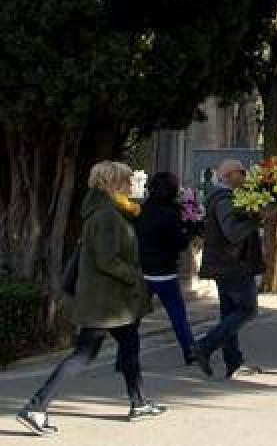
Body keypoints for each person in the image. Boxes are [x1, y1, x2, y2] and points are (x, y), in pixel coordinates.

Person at [18, 162, 164, 436]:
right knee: (84, 354)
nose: (131, 185)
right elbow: (106, 259)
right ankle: (36, 406)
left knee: (130, 346)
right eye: (126, 180)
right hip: (107, 302)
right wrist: (133, 276)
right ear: (113, 183)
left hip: (113, 301)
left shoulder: (110, 211)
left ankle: (139, 402)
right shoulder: (107, 215)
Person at [192, 159, 263, 379]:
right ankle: (205, 345)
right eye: (242, 173)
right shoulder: (224, 199)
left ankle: (233, 361)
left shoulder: (224, 198)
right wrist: (257, 219)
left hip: (227, 264)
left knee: (229, 314)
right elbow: (232, 233)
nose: (245, 177)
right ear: (229, 175)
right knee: (247, 310)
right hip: (233, 264)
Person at [135, 171, 195, 365]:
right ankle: (190, 351)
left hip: (143, 269)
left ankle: (125, 357)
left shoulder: (141, 211)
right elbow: (180, 243)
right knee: (177, 315)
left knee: (135, 317)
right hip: (165, 272)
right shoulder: (171, 214)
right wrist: (190, 232)